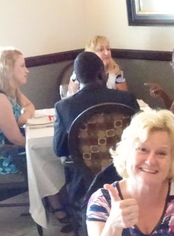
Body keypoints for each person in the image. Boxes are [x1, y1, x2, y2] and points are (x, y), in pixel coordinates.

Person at [52, 51, 140, 222]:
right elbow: (141, 136)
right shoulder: (127, 99)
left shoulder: (64, 107)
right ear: (102, 73)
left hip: (87, 182)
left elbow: (59, 150)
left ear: (77, 78)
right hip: (128, 173)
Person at [0, 47, 35, 174]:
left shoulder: (10, 91)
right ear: (8, 70)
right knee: (49, 158)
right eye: (22, 66)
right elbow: (16, 139)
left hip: (9, 149)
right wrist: (39, 146)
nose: (27, 70)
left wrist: (26, 115)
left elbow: (30, 105)